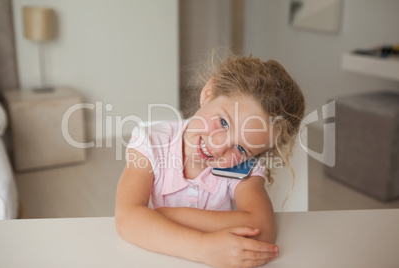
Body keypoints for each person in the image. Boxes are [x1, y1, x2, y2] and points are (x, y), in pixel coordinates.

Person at [115, 52, 305, 267]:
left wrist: (170, 216)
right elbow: (126, 218)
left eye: (242, 147)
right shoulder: (151, 142)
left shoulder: (239, 166)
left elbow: (262, 229)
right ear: (209, 92)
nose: (219, 146)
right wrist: (201, 246)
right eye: (223, 122)